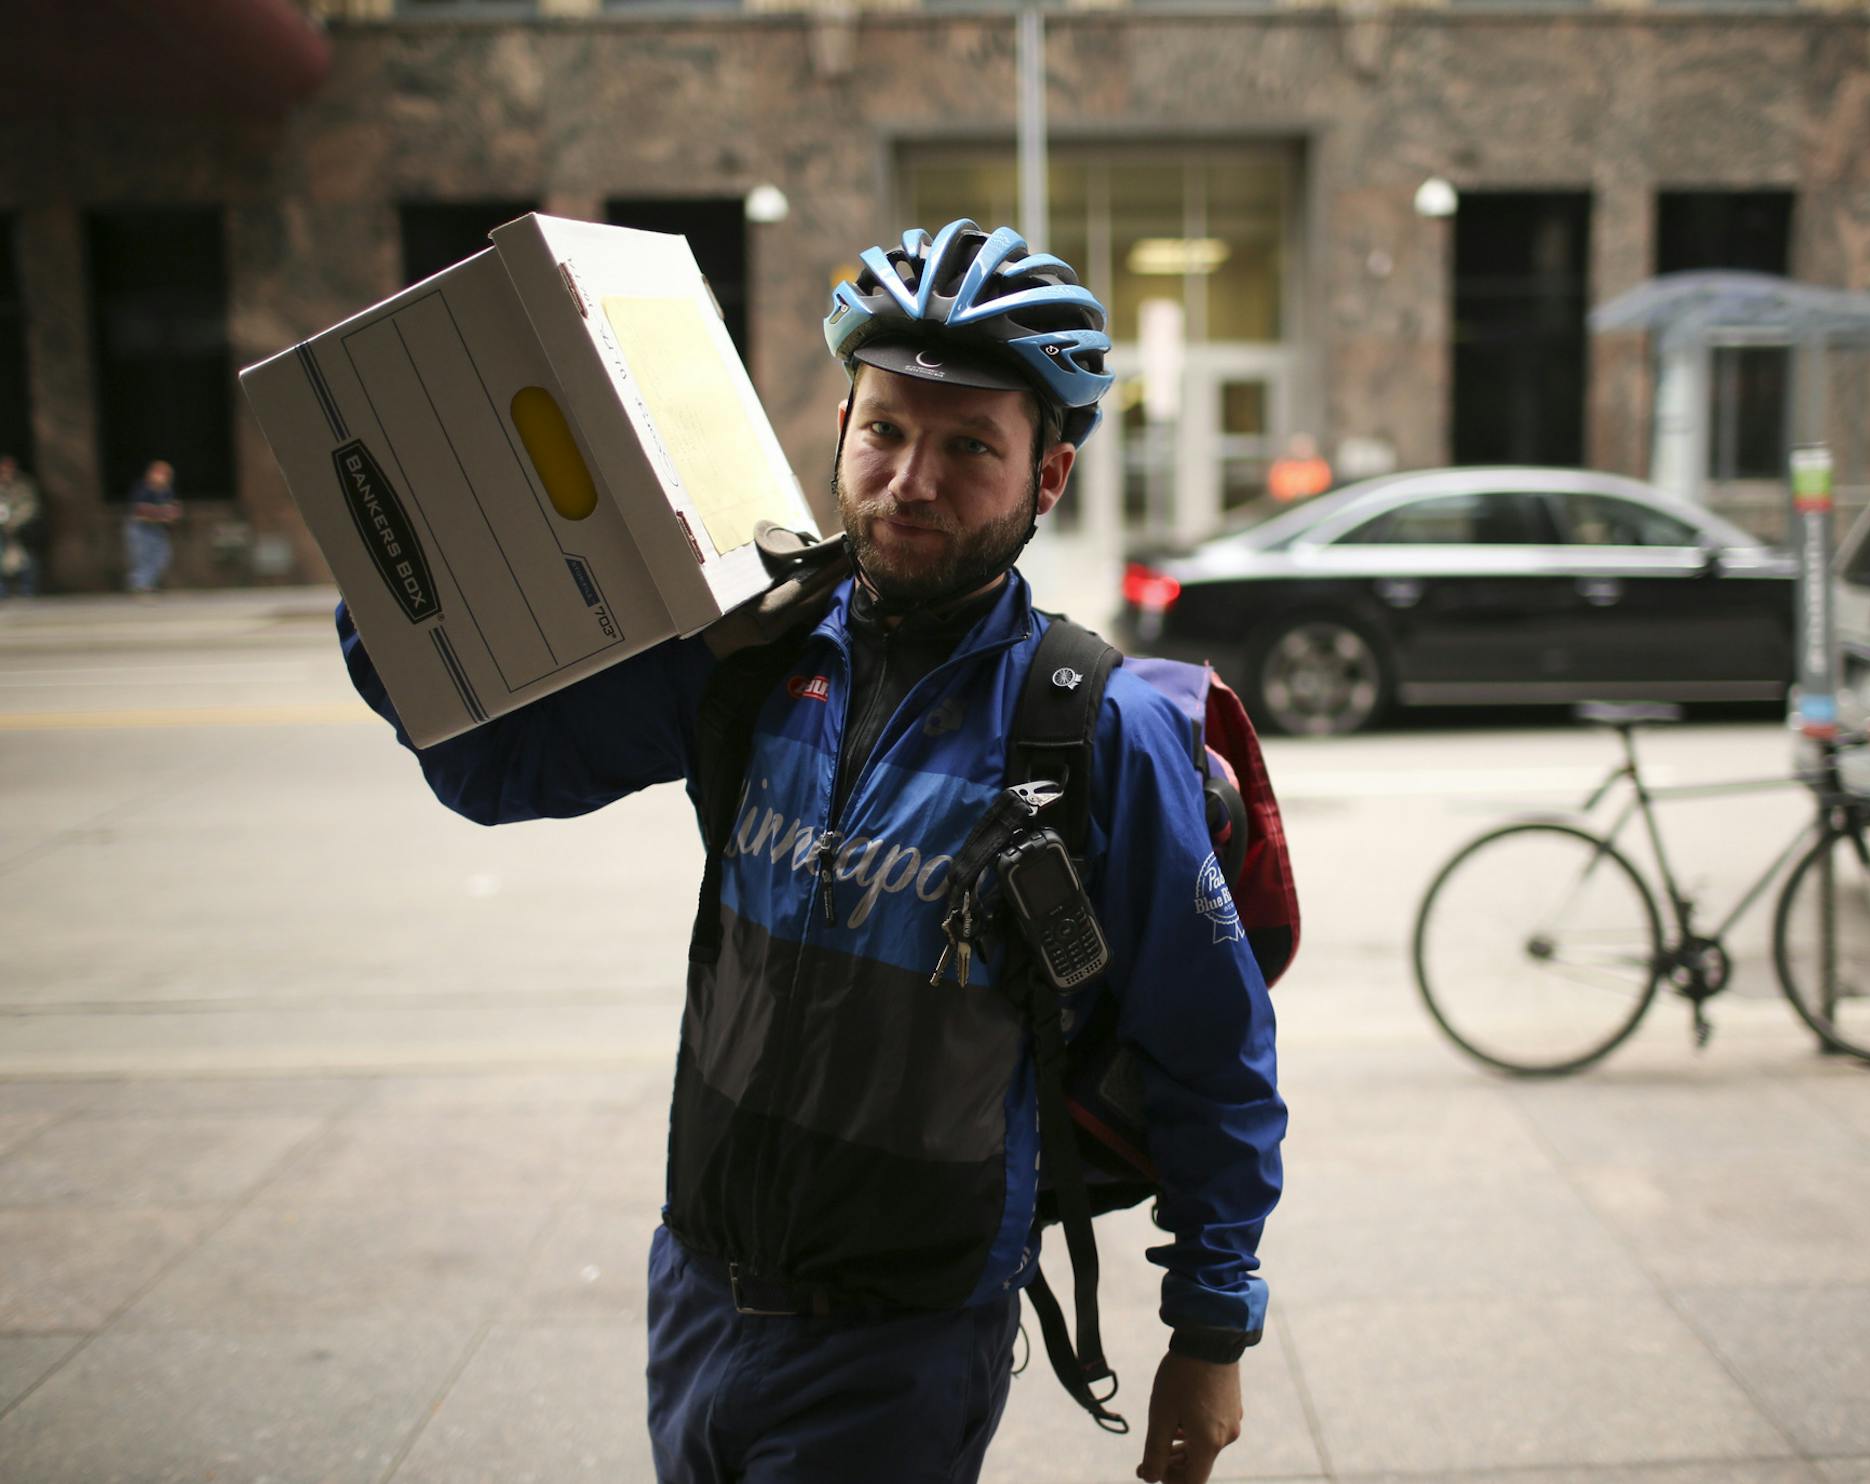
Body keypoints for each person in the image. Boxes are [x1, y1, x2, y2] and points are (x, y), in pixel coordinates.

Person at [334, 219, 1286, 1484]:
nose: (910, 480)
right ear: (843, 423)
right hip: (699, 1291)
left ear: (1047, 479)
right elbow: (494, 769)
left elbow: (1215, 1049)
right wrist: (401, 571)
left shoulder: (1094, 727)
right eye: (886, 428)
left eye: (969, 448)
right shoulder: (754, 654)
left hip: (902, 1339)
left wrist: (1210, 1329)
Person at [124, 459, 181, 593]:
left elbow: (173, 510)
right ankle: (141, 585)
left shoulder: (166, 491)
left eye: (166, 475)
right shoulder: (143, 488)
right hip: (140, 529)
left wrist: (169, 514)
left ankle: (142, 583)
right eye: (160, 473)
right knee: (143, 557)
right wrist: (160, 513)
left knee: (162, 557)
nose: (163, 478)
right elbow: (139, 512)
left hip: (158, 530)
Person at [0, 455, 40, 598]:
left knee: (26, 559)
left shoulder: (23, 485)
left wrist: (14, 522)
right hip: (1, 530)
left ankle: (27, 590)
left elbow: (30, 506)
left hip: (21, 529)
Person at [1265, 433, 1331, 504]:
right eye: (1298, 447)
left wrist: (1308, 492)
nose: (1302, 450)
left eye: (1305, 446)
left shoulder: (1319, 466)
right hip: (1289, 506)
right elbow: (1277, 487)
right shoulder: (1282, 467)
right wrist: (1293, 494)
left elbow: (1324, 484)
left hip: (1315, 503)